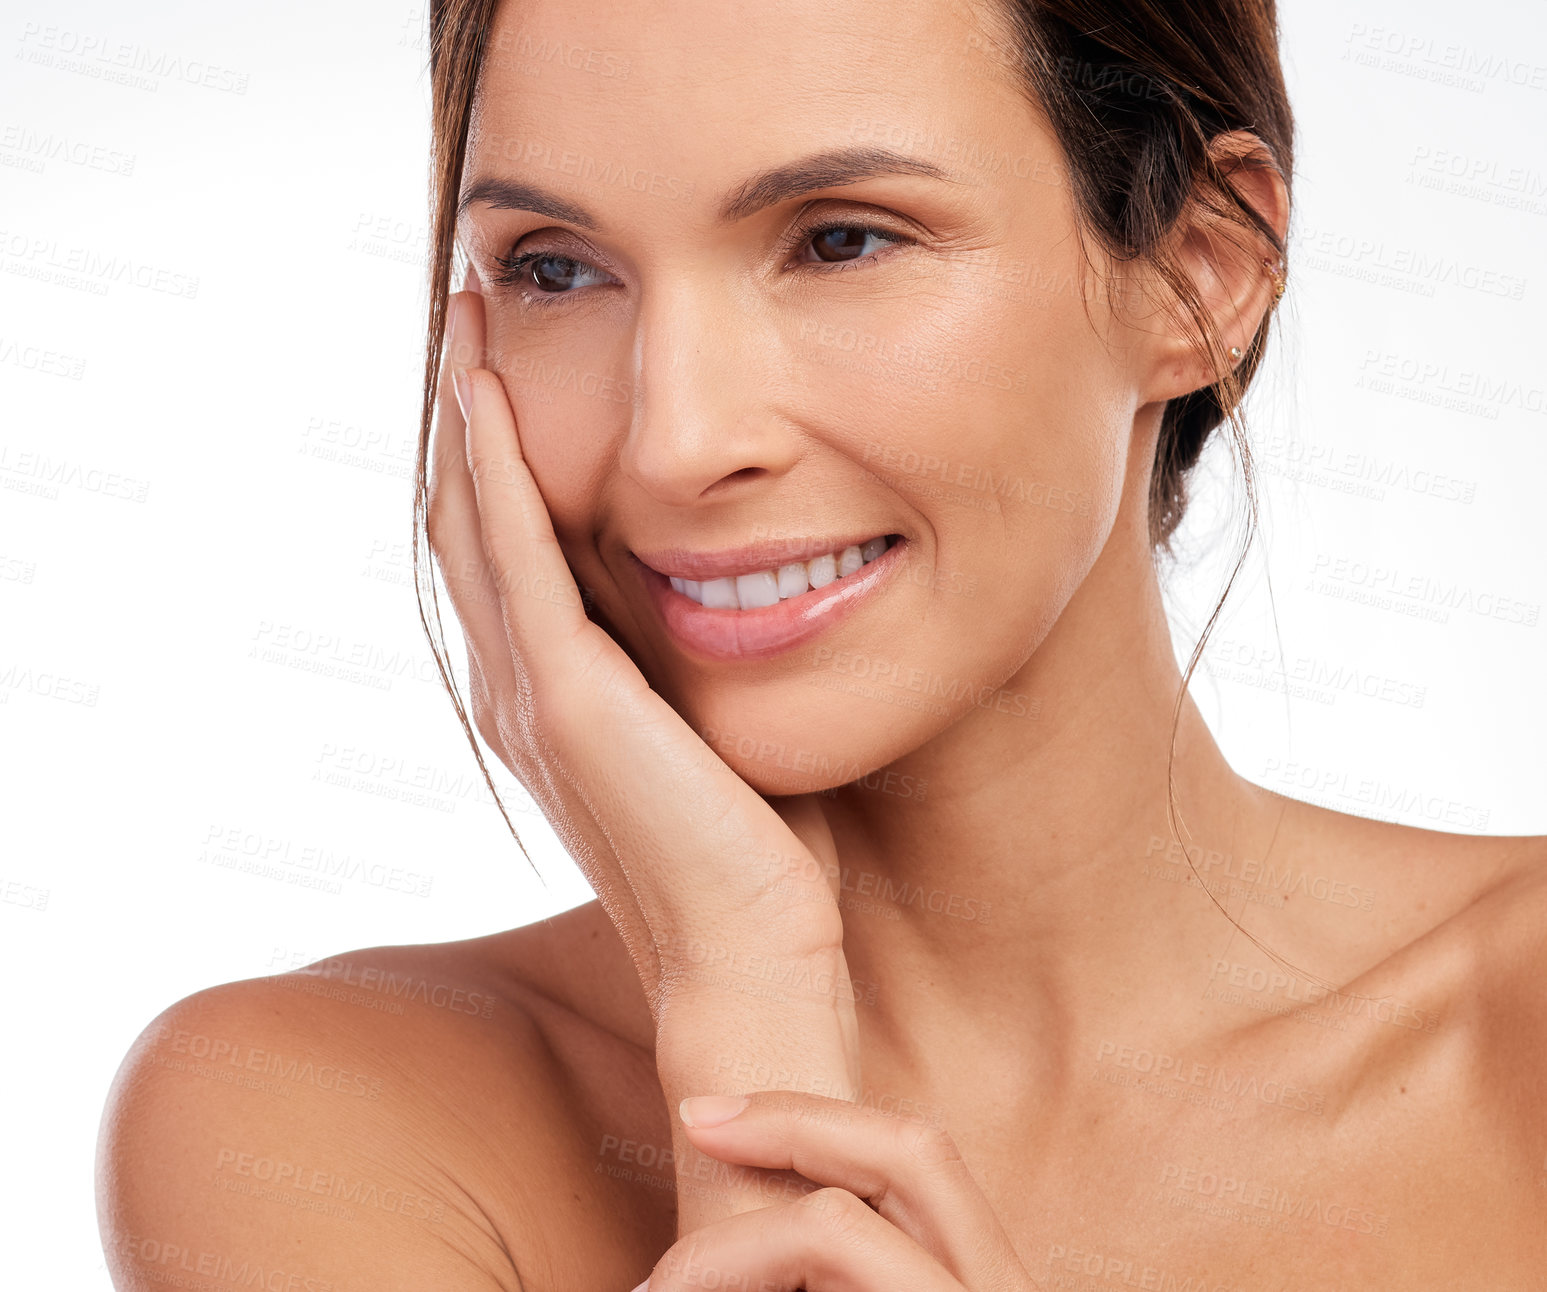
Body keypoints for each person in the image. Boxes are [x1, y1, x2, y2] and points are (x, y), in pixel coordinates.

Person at [96, 0, 1547, 1286]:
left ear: (1201, 273)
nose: (678, 441)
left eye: (841, 240)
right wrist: (743, 992)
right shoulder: (314, 1121)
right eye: (553, 269)